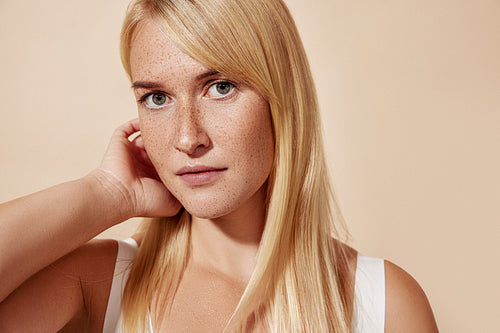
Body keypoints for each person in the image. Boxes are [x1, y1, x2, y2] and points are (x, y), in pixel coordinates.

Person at [0, 0, 439, 332]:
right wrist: (103, 195)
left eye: (221, 87)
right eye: (157, 98)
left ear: (281, 98)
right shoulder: (99, 283)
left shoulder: (384, 305)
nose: (188, 138)